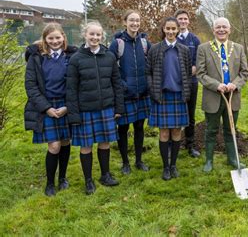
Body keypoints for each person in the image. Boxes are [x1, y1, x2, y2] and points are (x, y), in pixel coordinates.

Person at [67, 21, 124, 194]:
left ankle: (105, 175)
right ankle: (88, 180)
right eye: (91, 34)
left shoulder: (109, 56)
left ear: (102, 36)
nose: (95, 37)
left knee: (105, 143)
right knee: (86, 146)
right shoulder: (76, 59)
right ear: (85, 35)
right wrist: (74, 115)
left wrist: (118, 108)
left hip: (106, 108)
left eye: (98, 35)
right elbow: (71, 89)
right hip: (85, 110)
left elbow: (117, 83)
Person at [24, 23, 77, 196]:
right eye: (51, 38)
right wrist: (46, 108)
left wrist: (68, 107)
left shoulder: (72, 56)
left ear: (63, 37)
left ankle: (62, 178)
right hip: (46, 105)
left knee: (65, 142)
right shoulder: (36, 58)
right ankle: (50, 183)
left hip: (66, 104)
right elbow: (31, 86)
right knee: (54, 146)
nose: (55, 41)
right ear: (45, 39)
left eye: (58, 37)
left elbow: (79, 83)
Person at [196, 17, 248, 172]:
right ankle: (209, 161)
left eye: (224, 27)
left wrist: (236, 84)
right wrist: (216, 85)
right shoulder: (203, 49)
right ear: (213, 30)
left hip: (232, 96)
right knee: (211, 130)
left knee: (230, 129)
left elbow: (245, 72)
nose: (221, 30)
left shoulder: (238, 48)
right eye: (218, 27)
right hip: (213, 96)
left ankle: (233, 159)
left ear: (230, 29)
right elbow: (200, 73)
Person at [146, 17, 192, 181]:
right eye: (168, 28)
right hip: (162, 96)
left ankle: (174, 165)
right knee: (164, 133)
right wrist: (153, 89)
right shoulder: (155, 49)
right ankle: (165, 167)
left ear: (178, 30)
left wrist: (185, 92)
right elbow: (149, 72)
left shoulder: (184, 50)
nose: (171, 31)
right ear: (163, 29)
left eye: (174, 29)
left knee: (177, 132)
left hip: (178, 96)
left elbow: (187, 72)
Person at [109, 10, 152, 175]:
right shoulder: (117, 44)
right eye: (131, 20)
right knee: (123, 129)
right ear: (125, 22)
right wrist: (122, 85)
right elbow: (111, 68)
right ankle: (125, 162)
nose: (135, 23)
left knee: (140, 127)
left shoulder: (144, 43)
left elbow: (156, 56)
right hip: (125, 94)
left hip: (142, 93)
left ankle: (139, 160)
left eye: (137, 20)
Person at [175, 9, 201, 157]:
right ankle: (175, 144)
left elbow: (199, 59)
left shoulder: (194, 40)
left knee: (191, 115)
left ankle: (190, 145)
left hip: (192, 82)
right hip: (176, 84)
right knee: (177, 114)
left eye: (185, 19)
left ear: (188, 21)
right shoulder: (172, 38)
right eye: (180, 19)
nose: (182, 21)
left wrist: (195, 67)